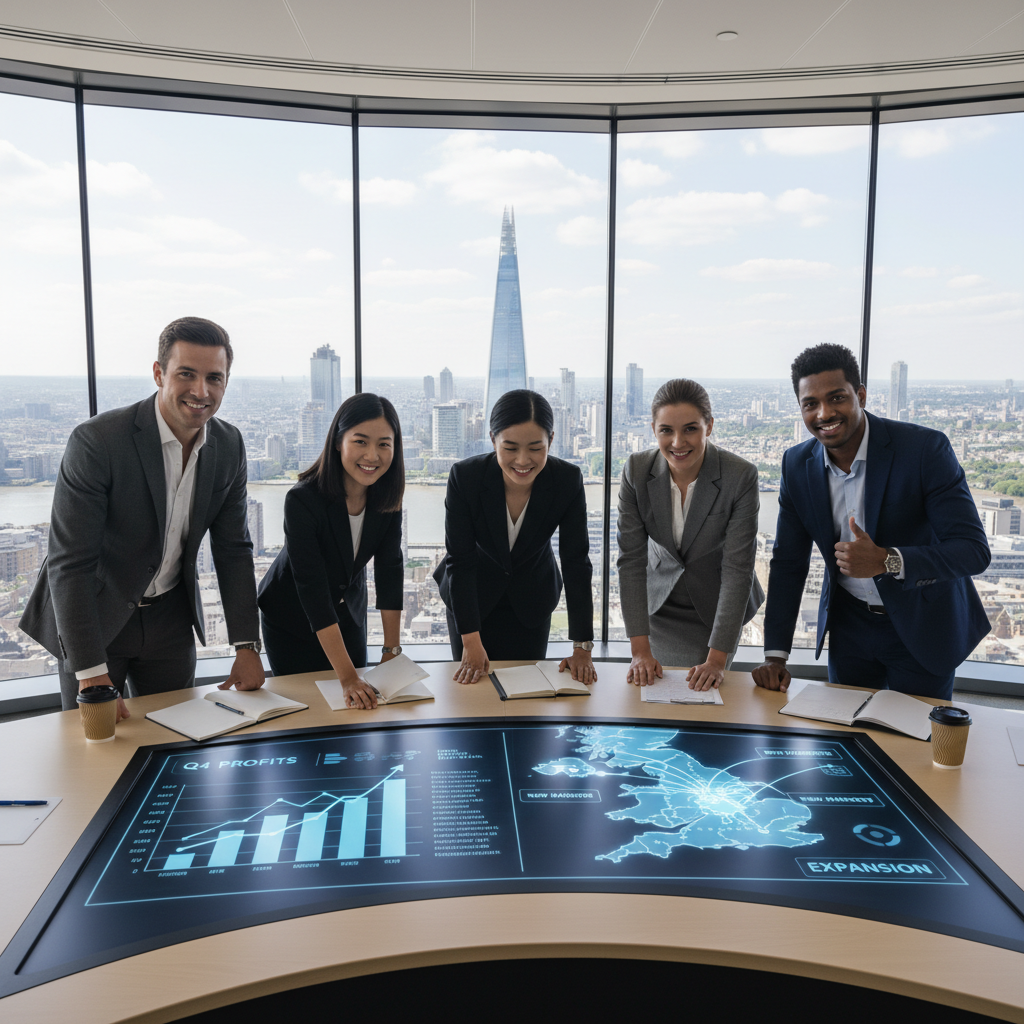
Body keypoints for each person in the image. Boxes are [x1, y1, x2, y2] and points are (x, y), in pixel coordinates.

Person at [20, 316, 264, 722]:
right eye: (186, 374)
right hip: (95, 616)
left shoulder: (229, 444)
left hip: (170, 619)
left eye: (214, 378)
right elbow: (70, 563)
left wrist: (246, 645)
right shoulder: (98, 441)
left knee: (177, 740)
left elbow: (234, 549)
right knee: (98, 746)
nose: (200, 391)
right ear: (158, 374)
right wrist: (92, 673)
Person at [752, 343, 991, 701]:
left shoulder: (924, 450)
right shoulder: (796, 466)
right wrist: (775, 654)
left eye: (836, 398)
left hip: (922, 623)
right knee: (847, 743)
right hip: (850, 629)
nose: (824, 413)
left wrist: (886, 560)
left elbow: (973, 551)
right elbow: (788, 563)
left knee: (916, 745)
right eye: (810, 404)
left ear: (860, 395)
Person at [433, 389, 596, 685]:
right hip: (471, 600)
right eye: (510, 447)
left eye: (536, 447)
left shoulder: (566, 480)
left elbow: (576, 562)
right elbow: (460, 561)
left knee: (528, 695)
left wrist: (581, 646)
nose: (523, 460)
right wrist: (470, 640)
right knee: (473, 695)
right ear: (493, 438)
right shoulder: (465, 477)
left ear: (552, 440)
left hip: (531, 599)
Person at [257, 393, 405, 710]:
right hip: (291, 618)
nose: (372, 455)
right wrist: (348, 677)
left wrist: (391, 650)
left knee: (357, 707)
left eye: (384, 444)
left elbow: (390, 570)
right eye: (361, 441)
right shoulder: (303, 500)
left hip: (347, 614)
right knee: (305, 710)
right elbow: (311, 588)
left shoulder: (387, 499)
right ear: (338, 441)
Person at [617, 378, 764, 691]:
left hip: (717, 608)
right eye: (666, 430)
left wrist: (716, 660)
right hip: (660, 607)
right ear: (653, 429)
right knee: (651, 697)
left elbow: (737, 572)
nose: (678, 442)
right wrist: (640, 651)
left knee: (706, 696)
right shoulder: (636, 471)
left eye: (690, 429)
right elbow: (630, 562)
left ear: (709, 426)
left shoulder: (740, 476)